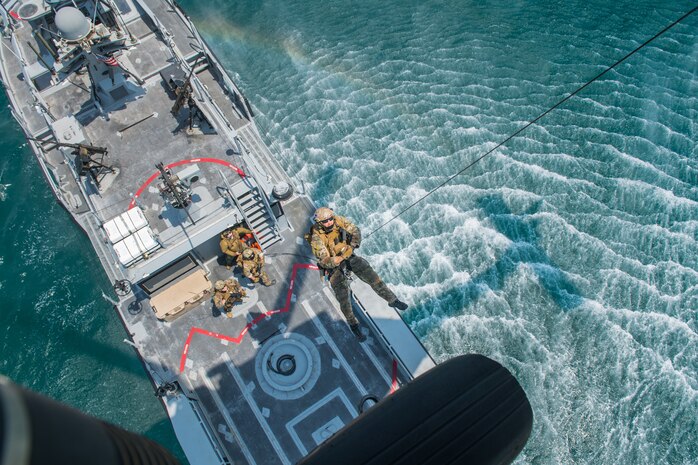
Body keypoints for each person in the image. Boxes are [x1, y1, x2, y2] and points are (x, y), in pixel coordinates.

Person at [309, 207, 408, 341]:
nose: (329, 223)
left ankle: (392, 300)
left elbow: (355, 230)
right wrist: (337, 259)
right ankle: (353, 324)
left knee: (372, 277)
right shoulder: (316, 237)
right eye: (325, 221)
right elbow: (325, 260)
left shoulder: (338, 221)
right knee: (344, 298)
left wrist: (353, 245)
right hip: (334, 267)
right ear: (320, 223)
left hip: (347, 255)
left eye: (331, 219)